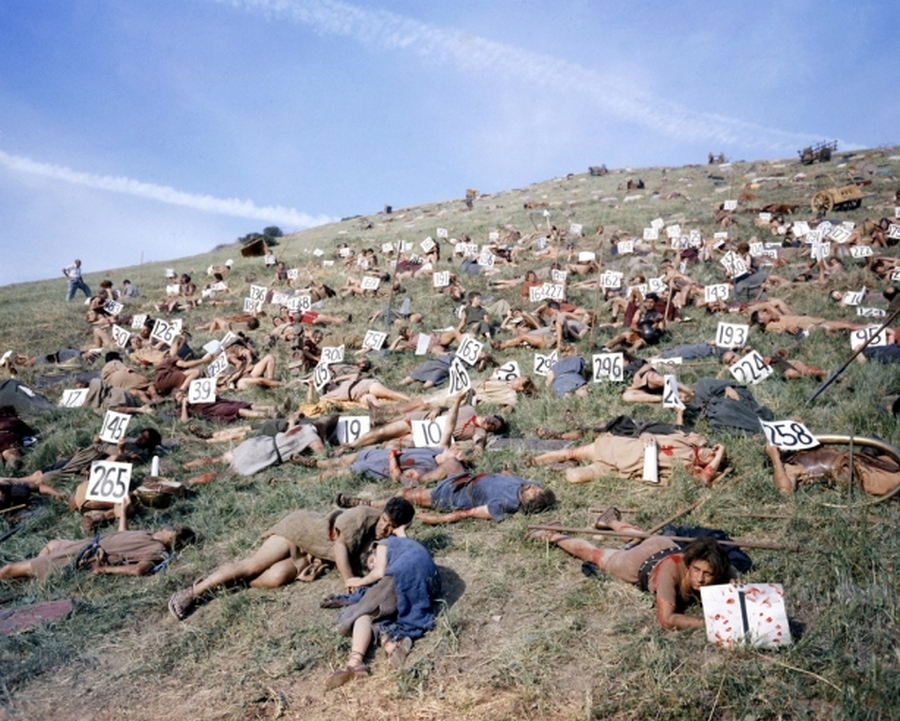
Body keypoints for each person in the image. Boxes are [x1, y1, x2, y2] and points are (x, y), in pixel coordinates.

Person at [167, 497, 415, 620]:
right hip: (301, 532)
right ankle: (194, 591)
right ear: (381, 514)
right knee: (253, 565)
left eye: (392, 526)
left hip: (314, 555)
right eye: (384, 521)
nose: (385, 528)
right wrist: (349, 579)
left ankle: (230, 581)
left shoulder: (392, 536)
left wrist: (399, 535)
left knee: (275, 578)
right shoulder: (362, 516)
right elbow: (340, 548)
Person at [526, 508, 737, 629]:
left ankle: (610, 520)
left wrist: (737, 588)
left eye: (707, 574)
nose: (700, 579)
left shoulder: (721, 569)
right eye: (697, 571)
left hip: (664, 543)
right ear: (689, 565)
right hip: (641, 562)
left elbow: (732, 577)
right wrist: (707, 624)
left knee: (641, 537)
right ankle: (553, 535)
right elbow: (667, 619)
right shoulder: (669, 574)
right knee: (599, 556)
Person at [324, 507, 441, 689]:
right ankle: (392, 643)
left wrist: (360, 581)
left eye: (371, 561)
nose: (373, 564)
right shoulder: (407, 543)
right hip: (431, 579)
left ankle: (355, 663)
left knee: (361, 613)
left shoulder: (384, 544)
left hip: (405, 573)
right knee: (382, 614)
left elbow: (378, 573)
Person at [0, 495, 193, 580]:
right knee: (51, 544)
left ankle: (36, 570)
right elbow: (122, 536)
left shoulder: (158, 550)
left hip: (84, 554)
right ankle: (37, 574)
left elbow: (139, 570)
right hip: (85, 543)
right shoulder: (149, 534)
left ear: (174, 540)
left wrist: (103, 569)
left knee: (9, 569)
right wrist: (123, 513)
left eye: (175, 529)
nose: (172, 525)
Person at [530, 428, 725, 485]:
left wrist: (721, 452)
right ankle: (533, 461)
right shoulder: (683, 440)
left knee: (575, 477)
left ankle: (564, 469)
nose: (711, 453)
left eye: (713, 457)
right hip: (617, 448)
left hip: (617, 469)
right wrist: (648, 437)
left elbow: (706, 477)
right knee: (570, 453)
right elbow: (648, 433)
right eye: (712, 449)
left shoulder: (691, 468)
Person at [765, 441, 900, 496]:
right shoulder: (790, 468)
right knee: (894, 481)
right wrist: (775, 458)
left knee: (891, 458)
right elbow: (785, 491)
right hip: (860, 475)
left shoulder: (801, 451)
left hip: (861, 460)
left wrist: (795, 424)